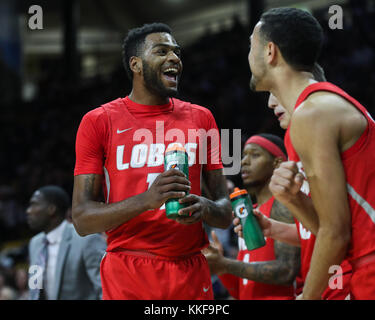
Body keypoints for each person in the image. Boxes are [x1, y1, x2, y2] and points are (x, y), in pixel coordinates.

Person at [72, 23, 232, 300]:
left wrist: (205, 207)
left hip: (190, 269)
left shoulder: (202, 118)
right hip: (128, 269)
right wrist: (147, 200)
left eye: (177, 53)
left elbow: (226, 213)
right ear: (135, 64)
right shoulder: (98, 121)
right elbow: (83, 219)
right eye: (162, 51)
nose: (174, 59)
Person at [248, 7, 375, 299]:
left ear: (270, 52)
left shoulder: (312, 113)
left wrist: (308, 297)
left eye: (250, 45)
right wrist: (295, 201)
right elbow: (335, 229)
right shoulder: (316, 109)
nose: (247, 56)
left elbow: (336, 233)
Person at [203, 133, 300, 300]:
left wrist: (225, 264)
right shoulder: (249, 212)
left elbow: (286, 271)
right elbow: (243, 291)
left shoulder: (284, 204)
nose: (244, 162)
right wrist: (220, 266)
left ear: (277, 163)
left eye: (255, 155)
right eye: (243, 156)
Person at [27, 185, 106, 300]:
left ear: (51, 209)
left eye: (34, 204)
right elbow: (35, 287)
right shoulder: (35, 243)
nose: (28, 211)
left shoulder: (86, 239)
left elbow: (104, 289)